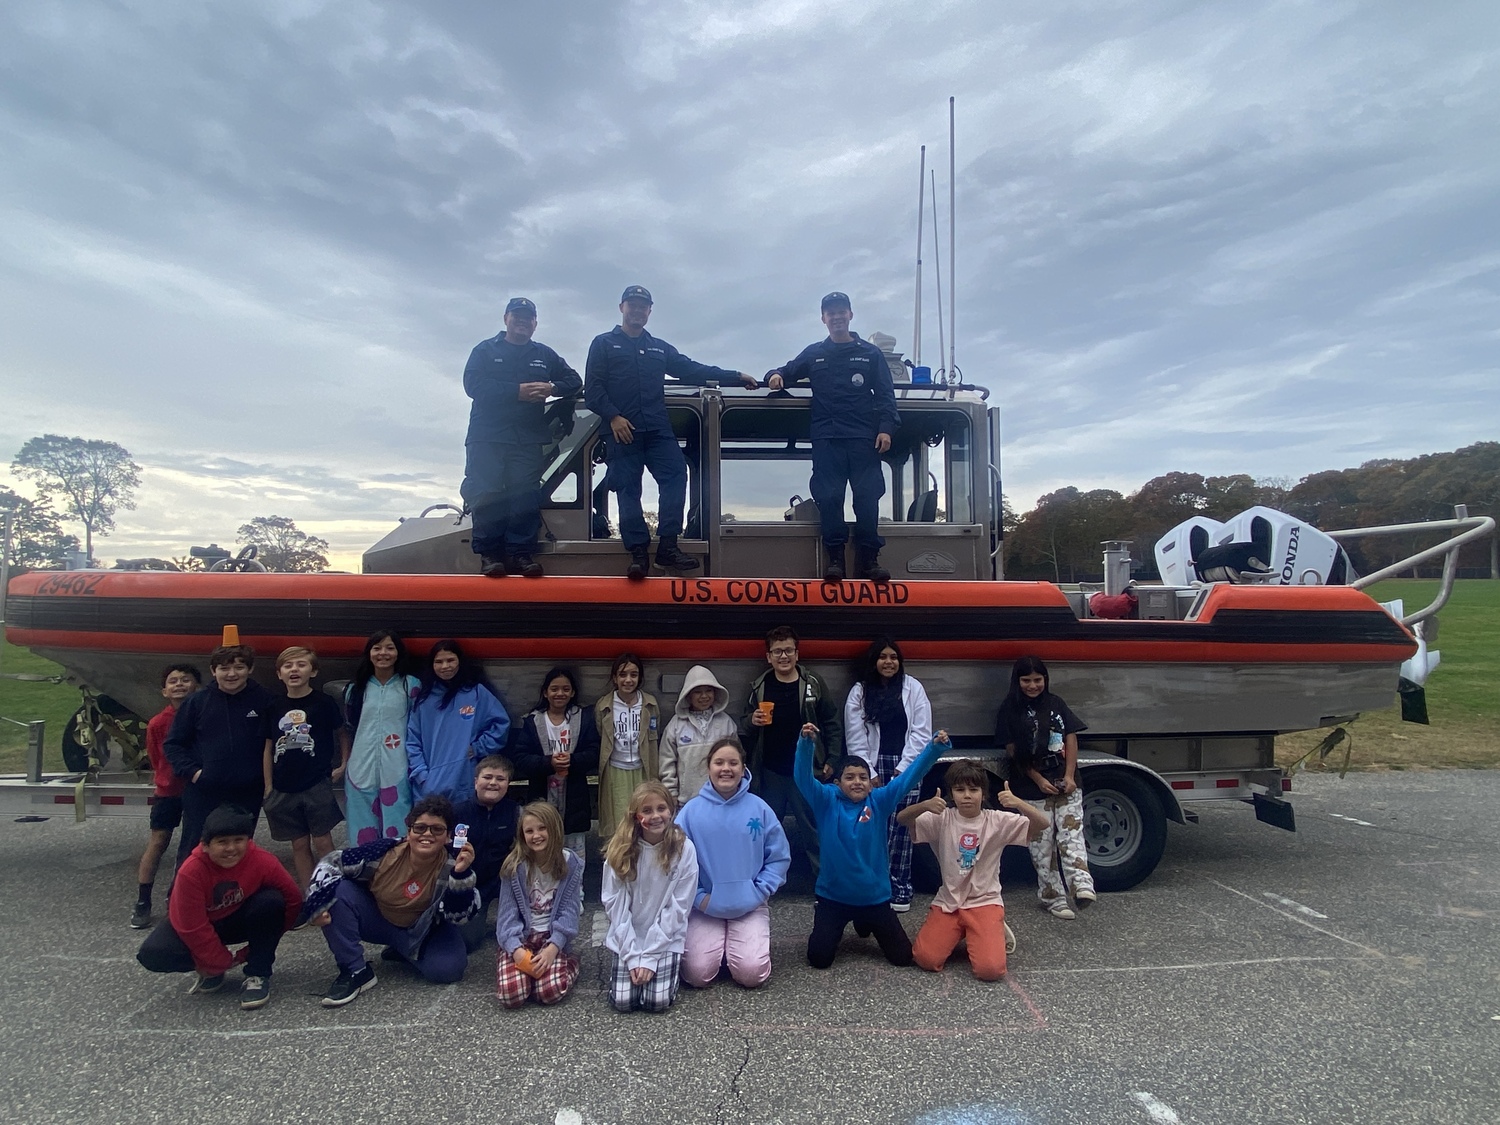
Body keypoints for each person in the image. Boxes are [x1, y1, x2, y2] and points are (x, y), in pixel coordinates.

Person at [584, 284, 759, 579]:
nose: (637, 310)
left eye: (643, 306)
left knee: (677, 474)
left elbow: (692, 369)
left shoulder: (659, 348)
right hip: (620, 430)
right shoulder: (602, 344)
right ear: (621, 308)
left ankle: (668, 546)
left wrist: (735, 376)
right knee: (628, 488)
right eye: (632, 304)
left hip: (656, 428)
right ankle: (638, 553)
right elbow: (593, 390)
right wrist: (613, 417)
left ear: (649, 311)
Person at [765, 292, 900, 583]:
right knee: (829, 499)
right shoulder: (814, 353)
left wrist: (886, 428)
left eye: (841, 312)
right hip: (827, 440)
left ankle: (869, 562)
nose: (836, 317)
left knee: (867, 500)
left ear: (850, 315)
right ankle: (835, 561)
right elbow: (786, 371)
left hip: (863, 440)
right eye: (831, 313)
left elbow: (887, 397)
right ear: (823, 319)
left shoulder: (870, 354)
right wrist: (774, 375)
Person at [795, 723, 944, 970]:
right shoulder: (825, 800)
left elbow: (909, 777)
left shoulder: (879, 800)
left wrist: (934, 749)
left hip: (874, 899)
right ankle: (852, 921)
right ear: (837, 782)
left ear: (871, 783)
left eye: (863, 777)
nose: (857, 782)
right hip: (833, 898)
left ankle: (865, 922)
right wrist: (806, 743)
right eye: (850, 777)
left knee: (903, 958)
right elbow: (802, 777)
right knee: (819, 959)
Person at [308, 795, 480, 1007]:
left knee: (449, 970)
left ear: (448, 837)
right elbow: (331, 861)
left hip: (424, 930)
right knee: (335, 891)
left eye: (436, 829)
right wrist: (315, 901)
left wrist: (461, 876)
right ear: (408, 832)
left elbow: (460, 918)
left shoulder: (454, 864)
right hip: (378, 919)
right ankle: (355, 970)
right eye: (419, 828)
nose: (427, 834)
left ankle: (405, 950)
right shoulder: (382, 852)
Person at [461, 296, 583, 578]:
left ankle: (520, 554)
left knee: (525, 496)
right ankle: (490, 555)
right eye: (517, 316)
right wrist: (515, 391)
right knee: (486, 492)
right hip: (488, 437)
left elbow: (574, 380)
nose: (522, 321)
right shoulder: (485, 350)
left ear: (535, 324)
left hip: (527, 439)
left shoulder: (544, 354)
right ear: (506, 319)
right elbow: (473, 385)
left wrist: (552, 387)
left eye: (528, 317)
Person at [136, 804, 302, 1011]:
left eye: (238, 841)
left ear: (248, 841)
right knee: (153, 953)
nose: (231, 849)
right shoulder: (191, 870)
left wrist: (249, 952)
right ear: (205, 845)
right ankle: (211, 970)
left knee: (272, 902)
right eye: (222, 842)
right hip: (207, 923)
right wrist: (219, 961)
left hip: (242, 918)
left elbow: (294, 901)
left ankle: (258, 973)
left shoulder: (263, 861)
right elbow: (191, 926)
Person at [897, 761, 1049, 980]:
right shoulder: (943, 818)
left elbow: (1041, 824)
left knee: (991, 971)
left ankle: (992, 928)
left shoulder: (996, 820)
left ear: (983, 793)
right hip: (950, 901)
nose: (967, 796)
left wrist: (1018, 803)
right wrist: (925, 805)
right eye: (960, 790)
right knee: (925, 959)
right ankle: (961, 931)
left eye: (973, 790)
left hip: (984, 901)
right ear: (951, 794)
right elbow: (903, 818)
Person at [675, 738, 790, 989]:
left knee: (752, 974)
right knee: (696, 974)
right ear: (708, 768)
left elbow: (779, 856)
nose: (726, 768)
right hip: (705, 907)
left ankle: (735, 950)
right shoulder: (690, 813)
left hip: (749, 904)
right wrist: (698, 898)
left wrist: (759, 891)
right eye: (719, 762)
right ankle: (721, 950)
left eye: (733, 763)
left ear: (743, 768)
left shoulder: (760, 809)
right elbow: (676, 864)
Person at [995, 656, 1097, 920]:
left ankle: (1081, 885)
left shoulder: (1056, 703)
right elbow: (1013, 751)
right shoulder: (1009, 709)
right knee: (1042, 843)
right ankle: (1052, 897)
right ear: (1017, 681)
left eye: (1038, 680)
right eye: (1026, 680)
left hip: (1065, 781)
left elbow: (1071, 737)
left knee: (1071, 834)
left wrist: (1070, 775)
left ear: (1045, 680)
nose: (1032, 685)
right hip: (1030, 786)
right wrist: (1038, 779)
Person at [165, 643, 276, 871]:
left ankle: (233, 900)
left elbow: (275, 744)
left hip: (247, 793)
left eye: (239, 667)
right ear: (213, 671)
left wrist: (266, 783)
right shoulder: (196, 702)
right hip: (204, 791)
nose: (232, 674)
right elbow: (174, 745)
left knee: (238, 851)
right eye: (224, 668)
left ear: (250, 669)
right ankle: (180, 900)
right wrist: (195, 774)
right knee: (195, 849)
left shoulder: (265, 700)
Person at [843, 636, 932, 912]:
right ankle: (871, 884)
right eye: (882, 657)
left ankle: (900, 886)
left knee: (902, 827)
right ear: (874, 661)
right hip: (872, 767)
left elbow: (921, 732)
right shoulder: (860, 692)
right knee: (872, 826)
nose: (888, 662)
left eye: (893, 657)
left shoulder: (913, 687)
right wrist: (868, 773)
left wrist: (902, 769)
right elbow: (855, 735)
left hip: (906, 766)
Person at [740, 626, 842, 864]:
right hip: (770, 772)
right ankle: (762, 883)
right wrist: (752, 720)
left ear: (797, 654)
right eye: (777, 652)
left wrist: (833, 759)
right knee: (764, 830)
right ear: (768, 657)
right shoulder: (759, 686)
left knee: (813, 830)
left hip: (806, 772)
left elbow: (832, 722)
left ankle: (825, 884)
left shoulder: (813, 683)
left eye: (788, 651)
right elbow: (744, 726)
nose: (783, 656)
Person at [601, 781, 698, 1013]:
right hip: (629, 936)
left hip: (666, 937)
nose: (655, 816)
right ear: (636, 816)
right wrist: (634, 956)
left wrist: (651, 956)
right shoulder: (621, 849)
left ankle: (666, 974)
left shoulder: (685, 849)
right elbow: (615, 904)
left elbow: (679, 907)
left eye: (661, 808)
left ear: (671, 811)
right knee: (623, 1002)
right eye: (647, 810)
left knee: (656, 1002)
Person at [260, 646, 348, 889]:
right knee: (299, 844)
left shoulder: (323, 703)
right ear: (279, 674)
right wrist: (268, 786)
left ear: (314, 671)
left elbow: (341, 734)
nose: (294, 670)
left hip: (316, 783)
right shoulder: (273, 706)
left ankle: (336, 890)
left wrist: (342, 765)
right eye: (288, 666)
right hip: (283, 786)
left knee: (323, 841)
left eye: (301, 664)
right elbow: (267, 747)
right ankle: (311, 894)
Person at [130, 662, 201, 929]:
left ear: (197, 687)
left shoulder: (202, 716)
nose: (180, 684)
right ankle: (142, 900)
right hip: (169, 790)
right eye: (173, 681)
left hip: (197, 788)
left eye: (186, 679)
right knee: (159, 841)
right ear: (164, 691)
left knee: (194, 845)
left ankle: (183, 898)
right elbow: (156, 757)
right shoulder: (158, 723)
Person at [494, 801, 585, 1008]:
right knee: (512, 995)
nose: (536, 835)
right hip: (521, 937)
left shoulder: (570, 863)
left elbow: (570, 912)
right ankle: (514, 968)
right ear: (522, 835)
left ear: (554, 829)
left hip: (550, 938)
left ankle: (570, 962)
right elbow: (507, 915)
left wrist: (553, 948)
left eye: (542, 828)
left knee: (549, 993)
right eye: (529, 831)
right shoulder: (514, 867)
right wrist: (516, 950)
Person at [508, 666, 601, 861]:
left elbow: (595, 752)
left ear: (573, 692)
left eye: (566, 689)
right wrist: (548, 763)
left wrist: (572, 761)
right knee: (542, 855)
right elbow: (521, 758)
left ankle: (576, 891)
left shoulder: (583, 719)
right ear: (545, 692)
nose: (560, 693)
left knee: (574, 860)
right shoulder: (533, 721)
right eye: (554, 689)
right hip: (542, 793)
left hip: (574, 797)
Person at [406, 639, 511, 803]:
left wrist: (478, 748)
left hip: (464, 781)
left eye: (450, 660)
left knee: (463, 828)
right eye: (439, 662)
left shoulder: (476, 693)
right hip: (427, 787)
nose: (445, 666)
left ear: (460, 662)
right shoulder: (423, 700)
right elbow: (412, 741)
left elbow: (501, 725)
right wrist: (422, 776)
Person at [344, 629, 420, 846]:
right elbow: (350, 725)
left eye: (389, 648)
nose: (383, 653)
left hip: (397, 766)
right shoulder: (356, 689)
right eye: (377, 648)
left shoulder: (411, 685)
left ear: (398, 653)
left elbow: (418, 725)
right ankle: (365, 874)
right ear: (369, 653)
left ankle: (397, 872)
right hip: (360, 767)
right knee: (362, 830)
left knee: (398, 826)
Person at [454, 754, 522, 952]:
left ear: (508, 784)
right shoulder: (457, 813)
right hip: (471, 884)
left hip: (504, 882)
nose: (493, 783)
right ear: (476, 782)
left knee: (525, 935)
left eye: (500, 779)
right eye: (488, 777)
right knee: (468, 942)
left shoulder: (516, 812)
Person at [594, 652, 661, 840]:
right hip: (616, 769)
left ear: (640, 677)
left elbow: (654, 734)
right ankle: (619, 861)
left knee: (645, 816)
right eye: (622, 674)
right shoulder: (604, 706)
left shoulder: (650, 704)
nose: (628, 680)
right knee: (619, 822)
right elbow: (602, 734)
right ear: (615, 678)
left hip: (642, 770)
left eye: (633, 674)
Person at [658, 665, 737, 806]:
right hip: (686, 802)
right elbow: (667, 762)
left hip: (720, 799)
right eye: (698, 692)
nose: (704, 696)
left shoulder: (726, 723)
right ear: (688, 695)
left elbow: (736, 760)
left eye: (709, 691)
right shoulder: (676, 725)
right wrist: (671, 793)